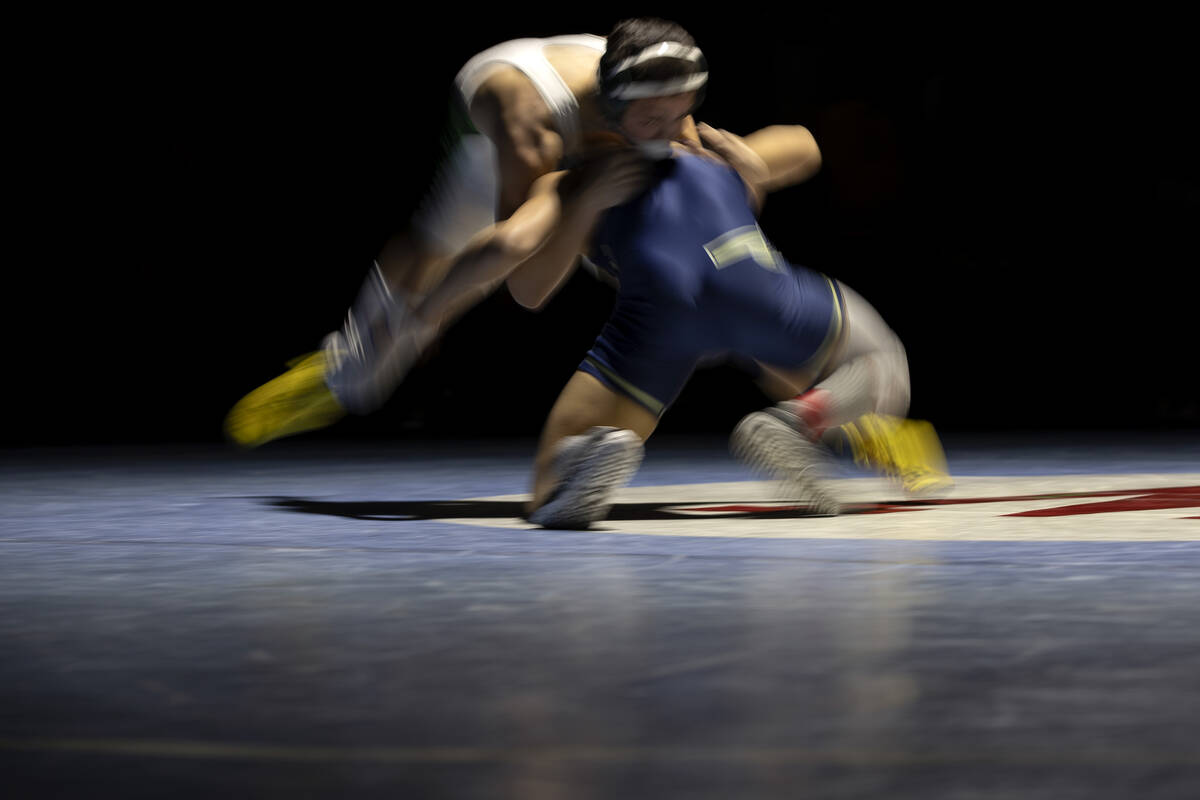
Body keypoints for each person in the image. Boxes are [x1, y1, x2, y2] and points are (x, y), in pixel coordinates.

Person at [224, 18, 718, 447]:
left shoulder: (658, 82)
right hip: (503, 109)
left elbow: (678, 139)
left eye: (679, 113)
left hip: (586, 103)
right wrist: (431, 309)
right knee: (445, 271)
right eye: (655, 119)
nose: (672, 127)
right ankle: (346, 368)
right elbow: (519, 264)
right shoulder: (530, 129)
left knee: (654, 191)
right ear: (615, 106)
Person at [471, 128, 951, 528]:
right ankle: (813, 422)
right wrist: (749, 174)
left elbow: (525, 279)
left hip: (660, 325)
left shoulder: (570, 182)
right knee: (865, 371)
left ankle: (593, 451)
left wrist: (424, 306)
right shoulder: (685, 148)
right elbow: (805, 145)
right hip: (748, 297)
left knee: (544, 492)